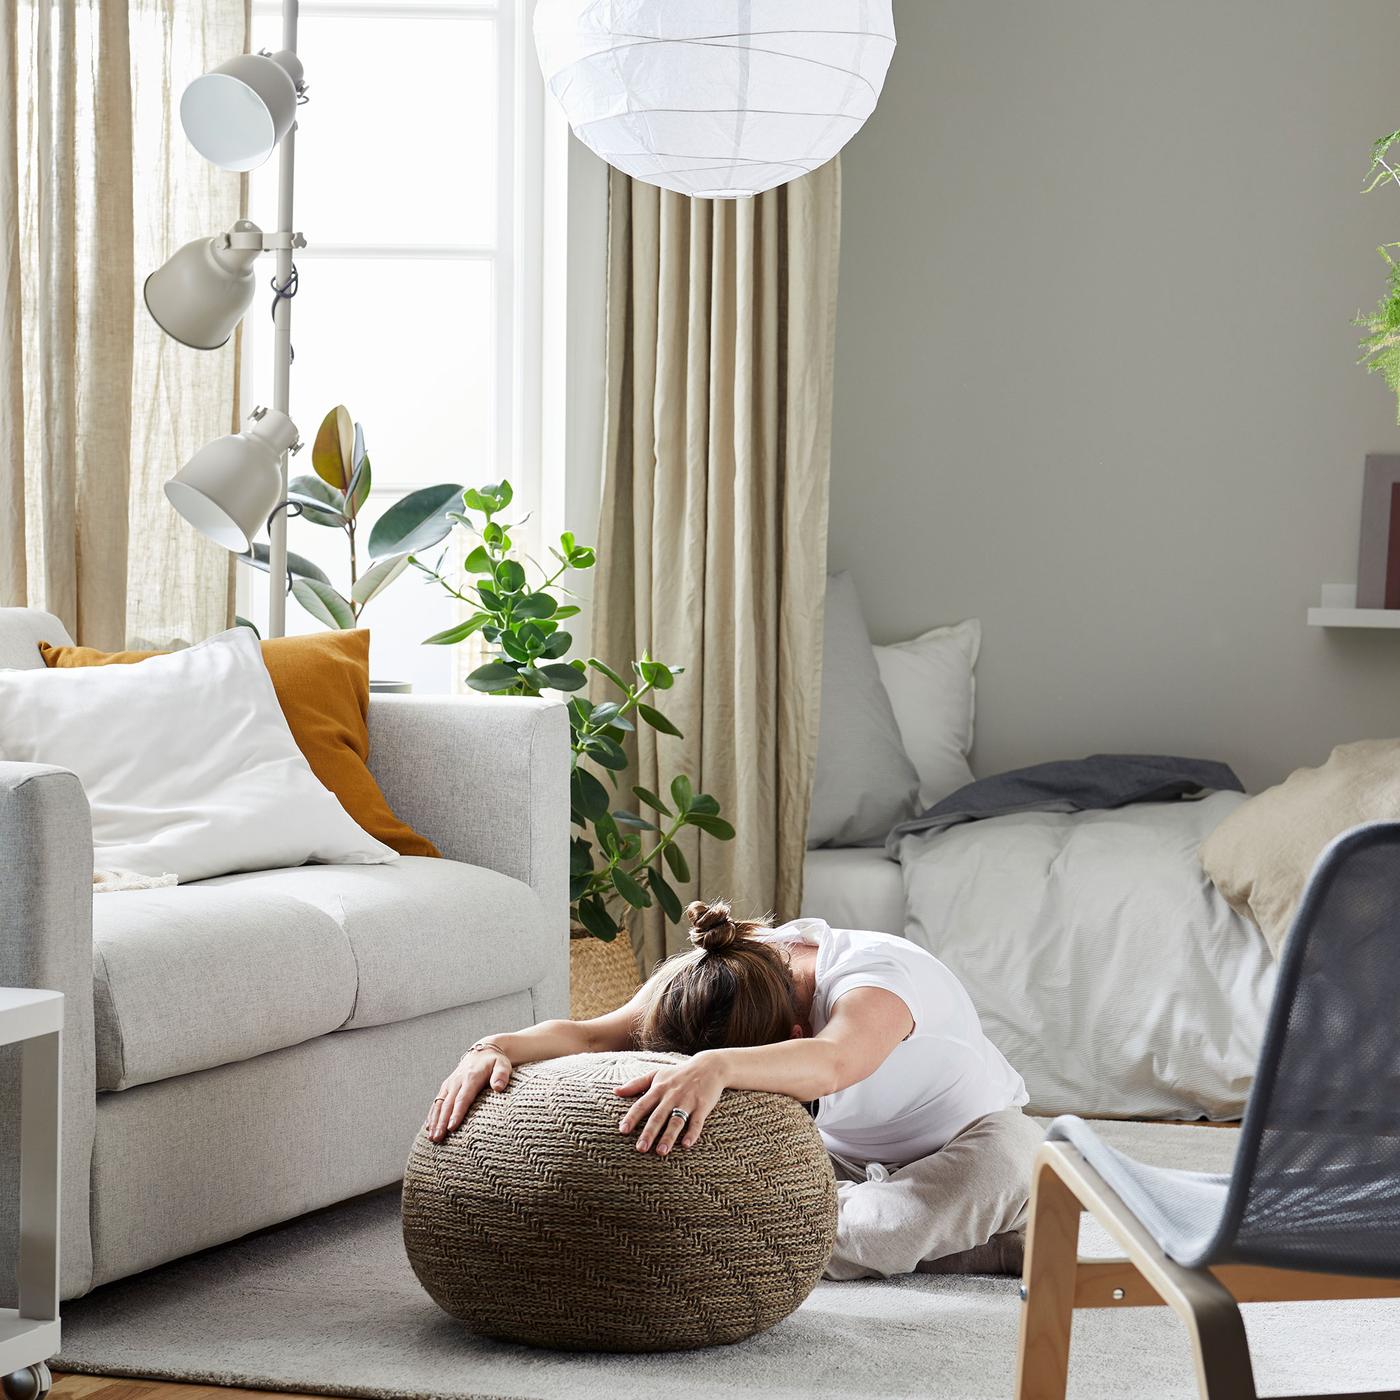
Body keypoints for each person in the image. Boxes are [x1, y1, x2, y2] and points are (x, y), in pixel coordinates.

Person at [425, 899, 1042, 1279]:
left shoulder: (877, 978)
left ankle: (988, 1235)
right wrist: (494, 1049)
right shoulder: (713, 974)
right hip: (836, 1152)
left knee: (882, 1229)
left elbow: (831, 1062)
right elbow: (593, 1037)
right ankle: (959, 1242)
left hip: (978, 1136)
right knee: (695, 1200)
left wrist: (717, 1068)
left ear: (794, 1030)